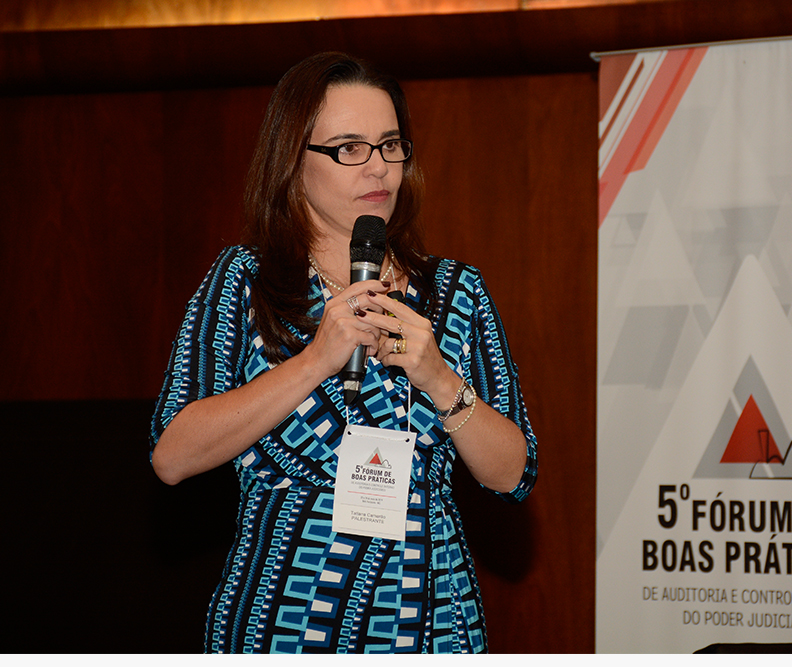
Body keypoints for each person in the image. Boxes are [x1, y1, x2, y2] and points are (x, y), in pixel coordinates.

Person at [149, 52, 537, 653]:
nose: (378, 168)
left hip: (432, 623)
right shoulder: (244, 285)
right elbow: (172, 457)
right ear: (292, 162)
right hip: (286, 621)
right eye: (349, 148)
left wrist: (438, 378)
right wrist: (315, 361)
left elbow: (513, 474)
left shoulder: (457, 293)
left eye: (390, 145)